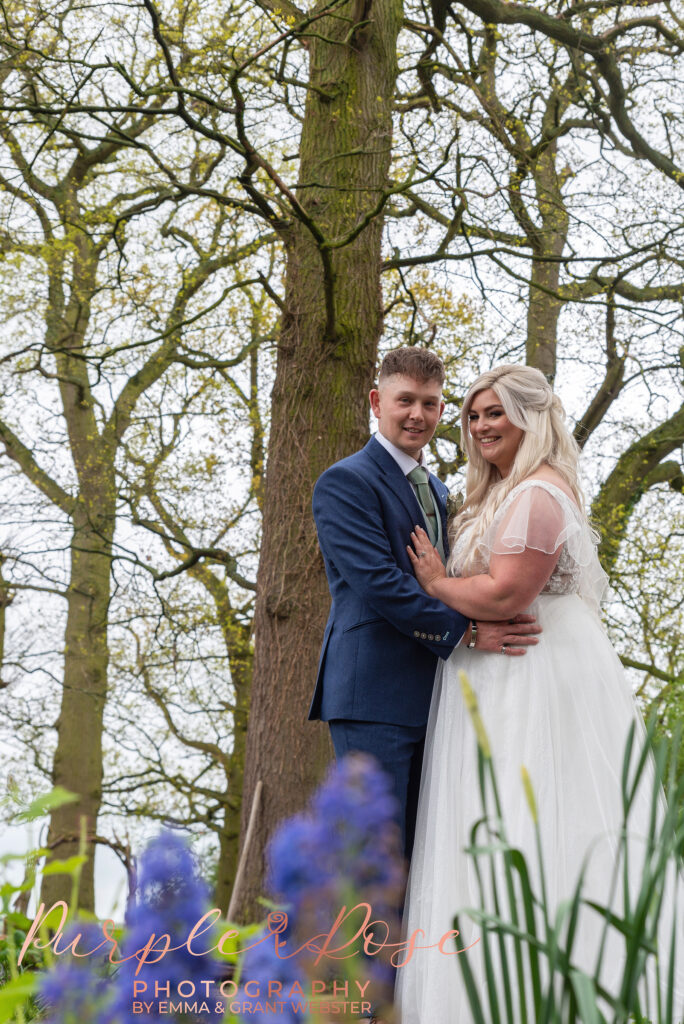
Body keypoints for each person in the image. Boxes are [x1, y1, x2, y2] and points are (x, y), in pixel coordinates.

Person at [395, 363, 683, 1022]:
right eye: (472, 415)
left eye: (494, 412)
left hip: (532, 671)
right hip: (493, 671)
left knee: (542, 819)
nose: (480, 426)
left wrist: (438, 584)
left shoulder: (538, 495)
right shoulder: (502, 491)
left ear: (532, 416)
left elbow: (506, 593)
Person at [309, 348, 542, 861]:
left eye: (431, 403)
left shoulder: (438, 490)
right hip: (374, 698)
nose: (418, 414)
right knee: (377, 861)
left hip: (440, 696)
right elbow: (381, 584)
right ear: (377, 401)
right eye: (405, 400)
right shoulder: (346, 481)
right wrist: (472, 633)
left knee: (425, 863)